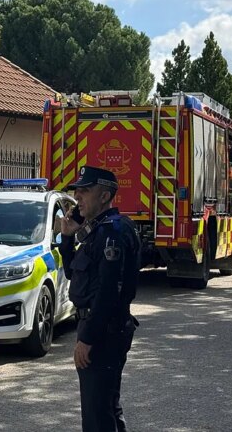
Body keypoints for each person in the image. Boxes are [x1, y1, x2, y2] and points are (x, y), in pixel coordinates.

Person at [57, 166, 141, 432]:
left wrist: (88, 338)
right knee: (106, 409)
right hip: (99, 327)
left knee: (97, 417)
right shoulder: (96, 231)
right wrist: (68, 238)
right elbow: (73, 273)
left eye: (85, 191)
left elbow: (108, 291)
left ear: (104, 196)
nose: (78, 197)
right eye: (77, 191)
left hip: (104, 331)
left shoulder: (112, 232)